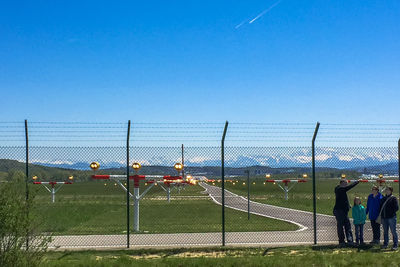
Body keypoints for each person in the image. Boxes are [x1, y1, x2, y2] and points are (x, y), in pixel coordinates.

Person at [333, 179, 360, 246]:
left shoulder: (341, 190)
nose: (346, 185)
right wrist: (357, 182)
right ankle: (342, 241)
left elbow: (343, 199)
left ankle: (349, 240)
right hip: (339, 211)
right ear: (342, 183)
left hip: (344, 211)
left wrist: (348, 205)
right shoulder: (339, 189)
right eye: (345, 183)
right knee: (341, 226)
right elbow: (349, 187)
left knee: (347, 226)